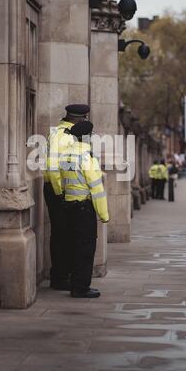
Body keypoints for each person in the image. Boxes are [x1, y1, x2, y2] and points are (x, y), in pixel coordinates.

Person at [59, 121, 109, 298]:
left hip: (69, 206)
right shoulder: (87, 157)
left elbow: (61, 181)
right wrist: (104, 215)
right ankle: (81, 287)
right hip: (83, 209)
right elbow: (97, 188)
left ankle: (74, 283)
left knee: (72, 246)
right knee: (85, 249)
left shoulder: (65, 155)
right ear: (87, 137)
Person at [44, 104, 90, 290]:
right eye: (84, 119)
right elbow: (53, 167)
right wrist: (60, 193)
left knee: (68, 234)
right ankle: (60, 277)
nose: (85, 122)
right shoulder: (62, 136)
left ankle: (65, 273)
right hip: (59, 191)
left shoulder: (66, 133)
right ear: (77, 119)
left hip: (64, 191)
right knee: (62, 235)